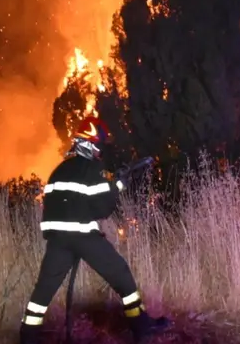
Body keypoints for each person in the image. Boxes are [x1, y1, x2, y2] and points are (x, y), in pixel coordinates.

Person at [19, 116, 170, 344]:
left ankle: (27, 336)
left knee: (44, 290)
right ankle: (140, 325)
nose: (100, 152)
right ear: (90, 144)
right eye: (98, 146)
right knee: (121, 275)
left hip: (57, 239)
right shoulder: (91, 169)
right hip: (83, 236)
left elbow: (61, 204)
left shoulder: (59, 170)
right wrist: (118, 185)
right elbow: (102, 208)